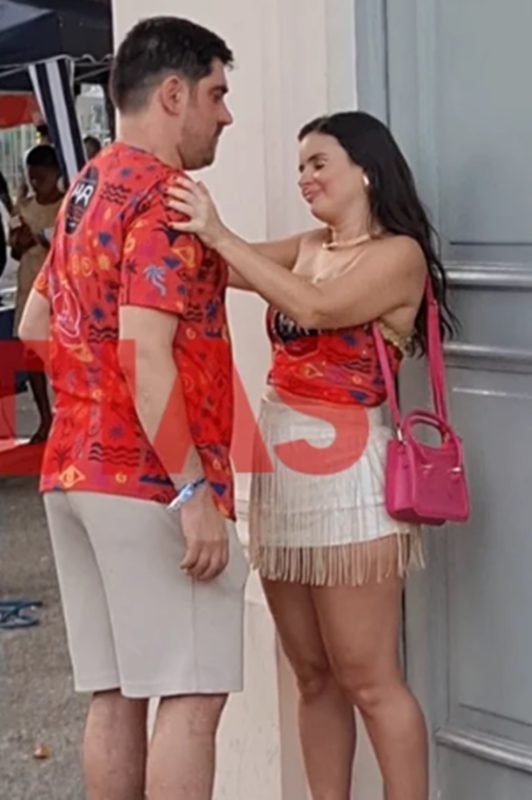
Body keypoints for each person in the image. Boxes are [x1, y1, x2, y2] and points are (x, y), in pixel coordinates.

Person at [167, 110, 456, 800]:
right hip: (279, 474)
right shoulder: (309, 245)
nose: (304, 178)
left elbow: (319, 309)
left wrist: (219, 232)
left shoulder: (398, 255)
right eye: (300, 166)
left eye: (319, 163)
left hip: (349, 477)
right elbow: (224, 268)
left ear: (366, 170)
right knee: (313, 675)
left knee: (368, 678)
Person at [18, 17, 247, 800]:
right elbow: (146, 357)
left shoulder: (85, 189)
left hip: (72, 469)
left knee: (116, 690)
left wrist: (91, 394)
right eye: (216, 94)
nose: (225, 114)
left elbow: (37, 323)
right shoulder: (163, 200)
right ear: (173, 94)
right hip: (151, 478)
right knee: (191, 690)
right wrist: (193, 492)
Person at [10, 144, 63, 442]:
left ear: (55, 173)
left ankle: (65, 413)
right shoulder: (24, 208)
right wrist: (20, 243)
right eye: (32, 178)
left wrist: (42, 240)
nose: (36, 183)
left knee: (62, 353)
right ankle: (45, 418)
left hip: (58, 290)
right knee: (31, 355)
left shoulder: (66, 206)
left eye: (41, 178)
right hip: (28, 286)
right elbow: (16, 254)